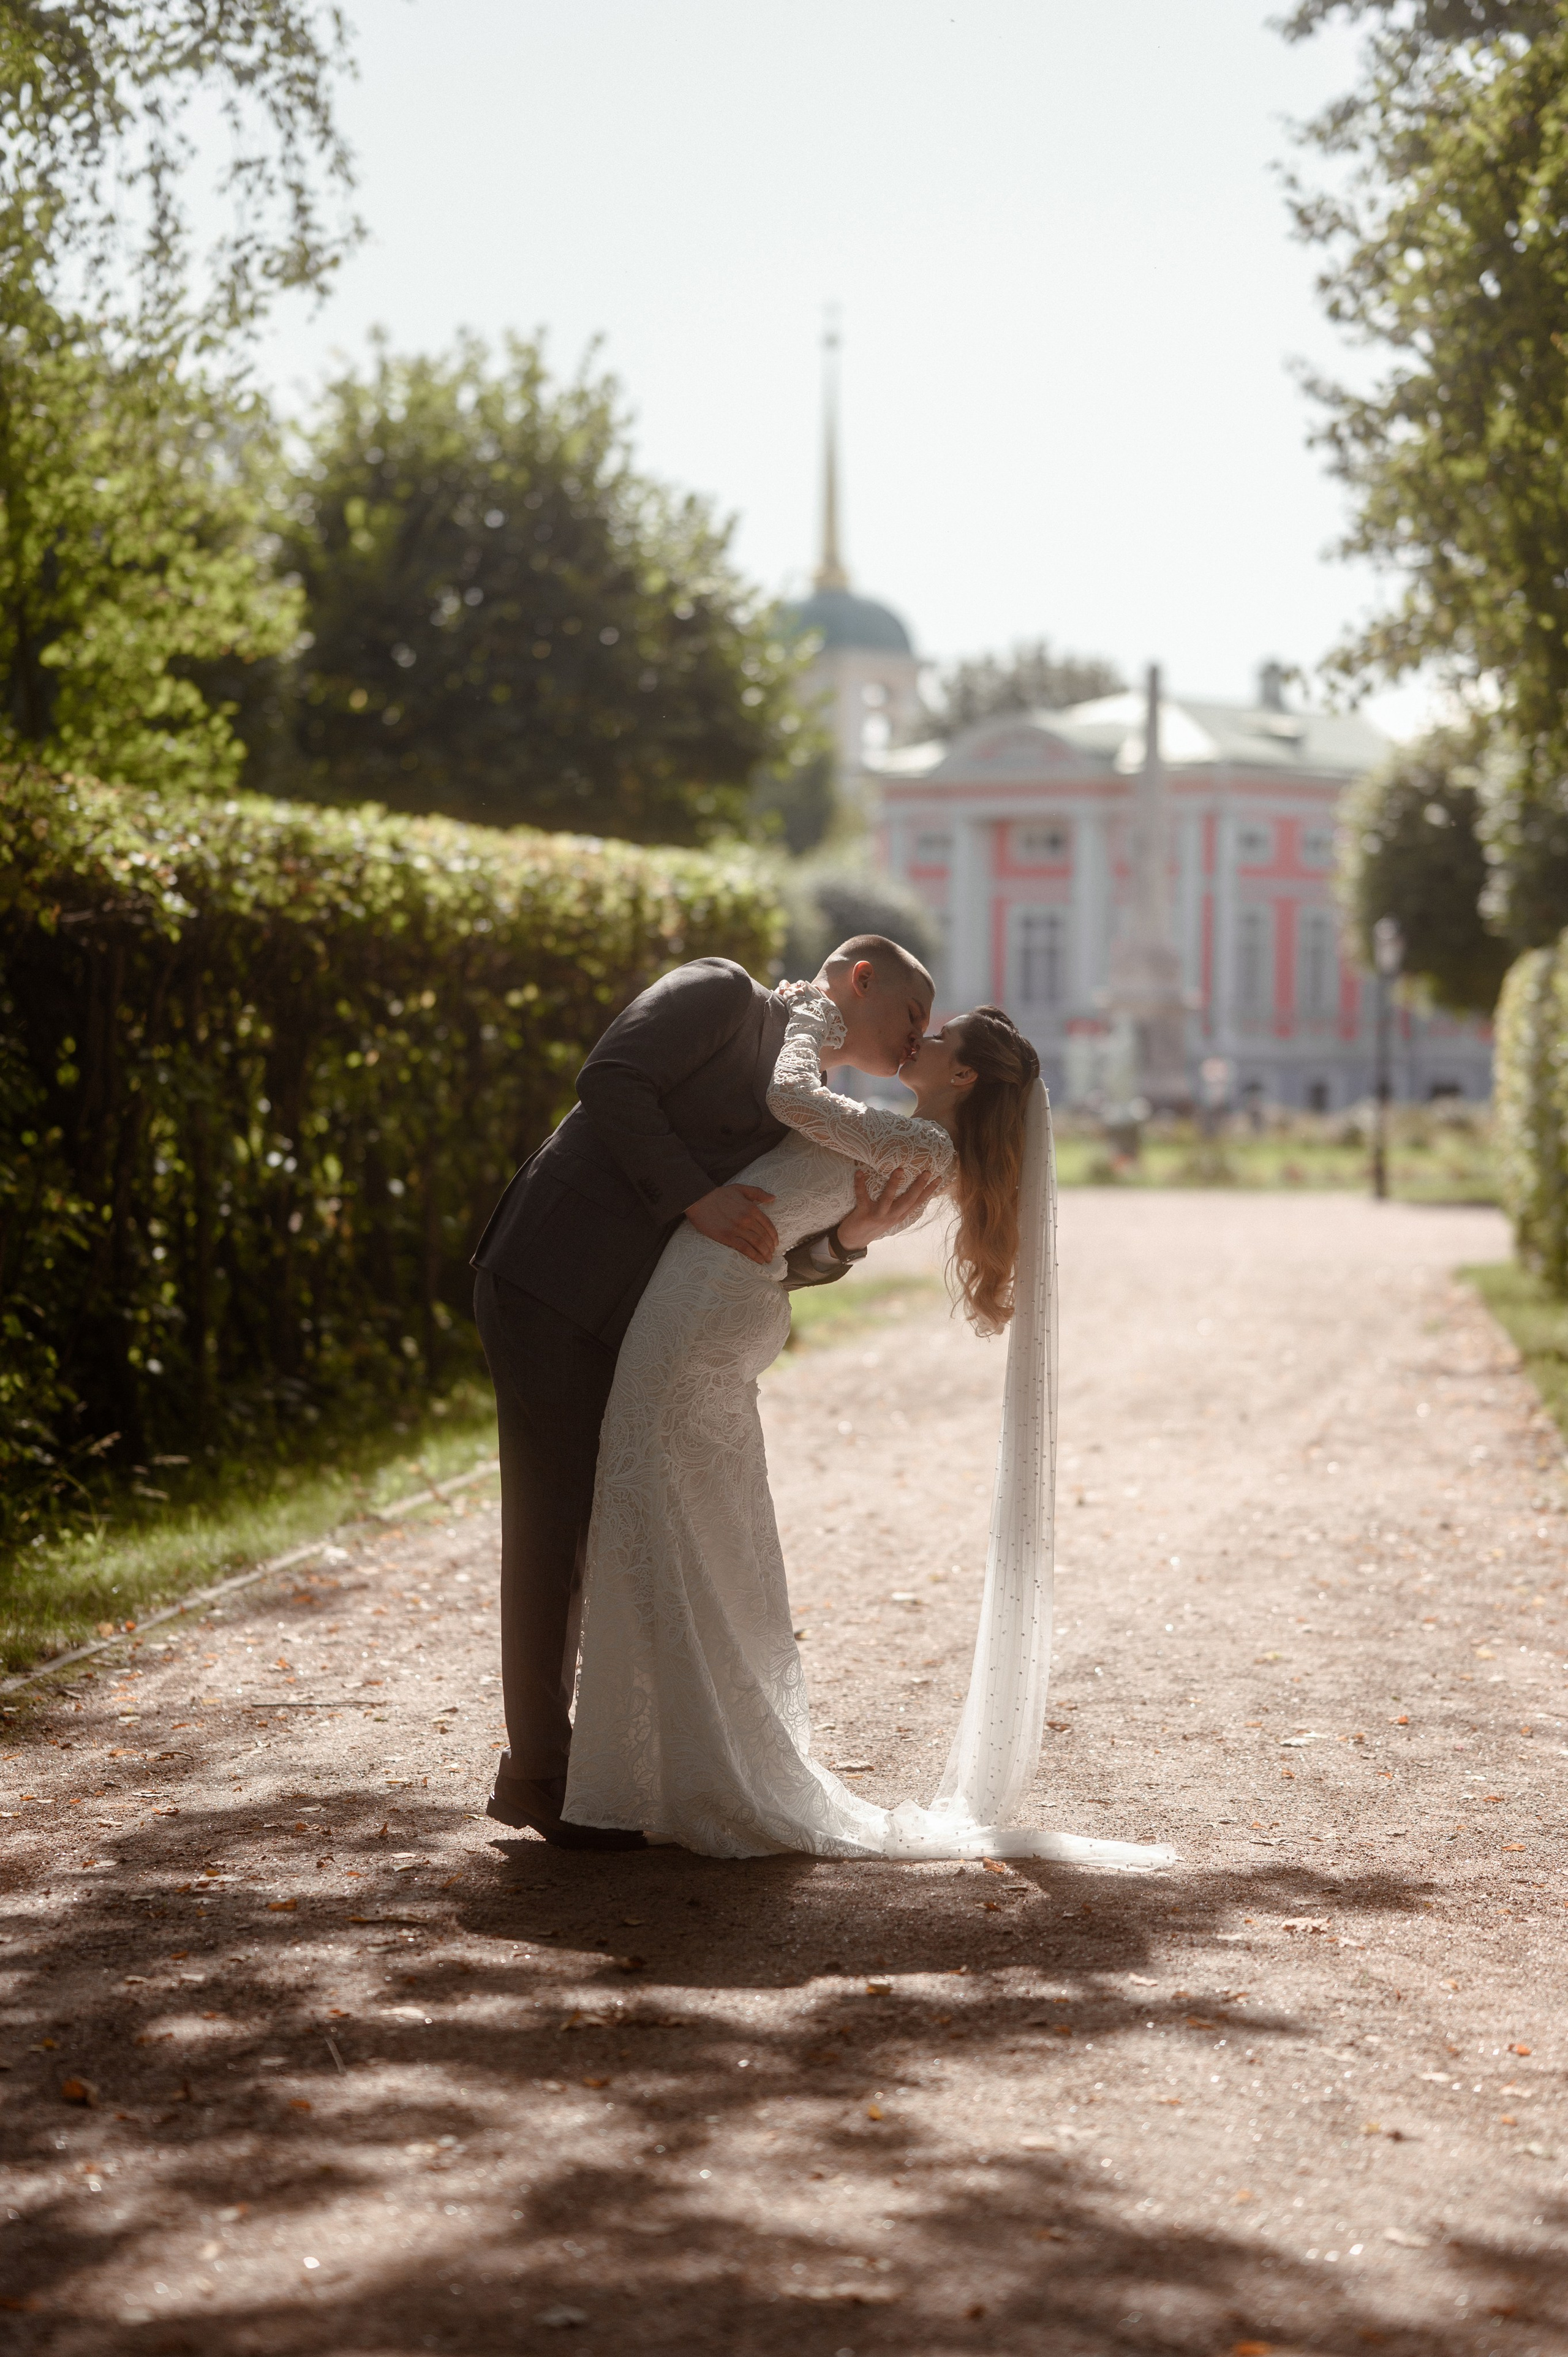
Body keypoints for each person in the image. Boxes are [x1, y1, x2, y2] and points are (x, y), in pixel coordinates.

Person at [564, 980, 1174, 1868]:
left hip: (705, 1301)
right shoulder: (932, 1155)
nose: (918, 1038)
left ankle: (658, 1776)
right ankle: (663, 1768)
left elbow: (789, 1098)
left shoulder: (916, 1139)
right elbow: (830, 1216)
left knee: (650, 1507)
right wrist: (844, 1233)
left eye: (937, 1037)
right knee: (682, 1517)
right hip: (732, 1298)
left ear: (961, 1076)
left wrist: (812, 1011)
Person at [470, 936, 941, 1849]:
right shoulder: (722, 994)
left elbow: (758, 1250)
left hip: (638, 1323)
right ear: (862, 978)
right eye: (912, 1015)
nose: (917, 1037)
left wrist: (850, 1239)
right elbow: (607, 1080)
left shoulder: (802, 1106)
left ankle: (608, 1768)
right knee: (555, 1525)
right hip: (546, 1281)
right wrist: (694, 1195)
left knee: (617, 1521)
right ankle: (537, 1773)